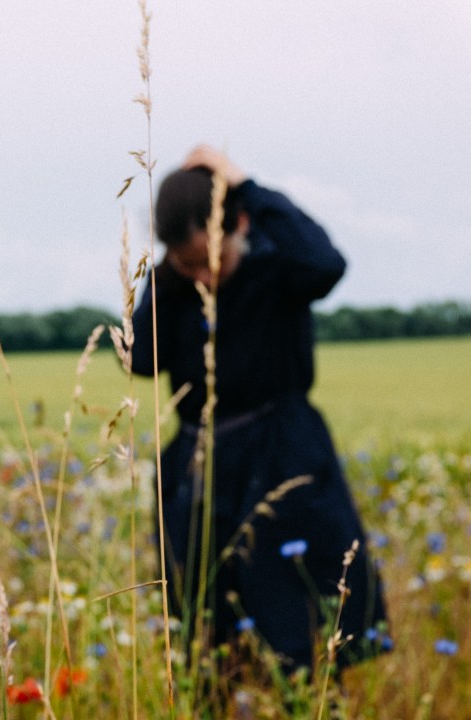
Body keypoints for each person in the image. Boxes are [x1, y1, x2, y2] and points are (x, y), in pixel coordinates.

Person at [131, 146, 389, 677]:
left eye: (212, 259)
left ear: (240, 223)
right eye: (188, 264)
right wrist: (167, 273)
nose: (203, 276)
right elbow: (138, 358)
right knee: (204, 627)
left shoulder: (279, 268)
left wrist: (244, 184)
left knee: (301, 619)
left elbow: (327, 264)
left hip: (284, 452)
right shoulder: (175, 288)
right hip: (200, 463)